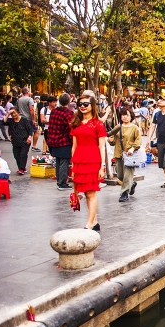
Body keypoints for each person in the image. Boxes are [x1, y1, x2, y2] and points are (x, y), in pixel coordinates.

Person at [70, 94, 106, 231]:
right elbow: (74, 146)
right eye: (80, 104)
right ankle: (94, 221)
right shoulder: (76, 123)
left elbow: (102, 146)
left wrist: (102, 166)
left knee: (91, 193)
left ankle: (89, 224)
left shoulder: (98, 124)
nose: (83, 107)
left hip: (93, 160)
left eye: (86, 104)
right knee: (85, 192)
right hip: (79, 160)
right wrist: (73, 166)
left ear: (92, 106)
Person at [107, 106, 142, 202]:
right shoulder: (118, 127)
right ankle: (132, 183)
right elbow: (114, 141)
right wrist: (110, 140)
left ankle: (124, 193)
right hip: (119, 153)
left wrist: (132, 148)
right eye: (122, 115)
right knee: (120, 175)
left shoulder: (135, 128)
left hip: (129, 154)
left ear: (131, 116)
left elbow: (138, 141)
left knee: (127, 175)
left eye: (126, 115)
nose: (124, 117)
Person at [47, 93, 74, 191]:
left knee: (58, 161)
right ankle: (62, 183)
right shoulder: (68, 114)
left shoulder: (54, 111)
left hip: (54, 140)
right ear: (69, 101)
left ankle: (59, 181)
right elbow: (71, 129)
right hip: (64, 140)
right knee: (64, 162)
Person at [4, 99, 35, 175]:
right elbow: (3, 122)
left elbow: (30, 130)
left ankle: (21, 169)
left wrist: (29, 137)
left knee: (23, 155)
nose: (13, 115)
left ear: (18, 112)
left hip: (25, 141)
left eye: (14, 113)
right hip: (15, 141)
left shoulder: (23, 120)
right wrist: (8, 113)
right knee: (16, 155)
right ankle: (21, 168)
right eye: (12, 114)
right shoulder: (11, 121)